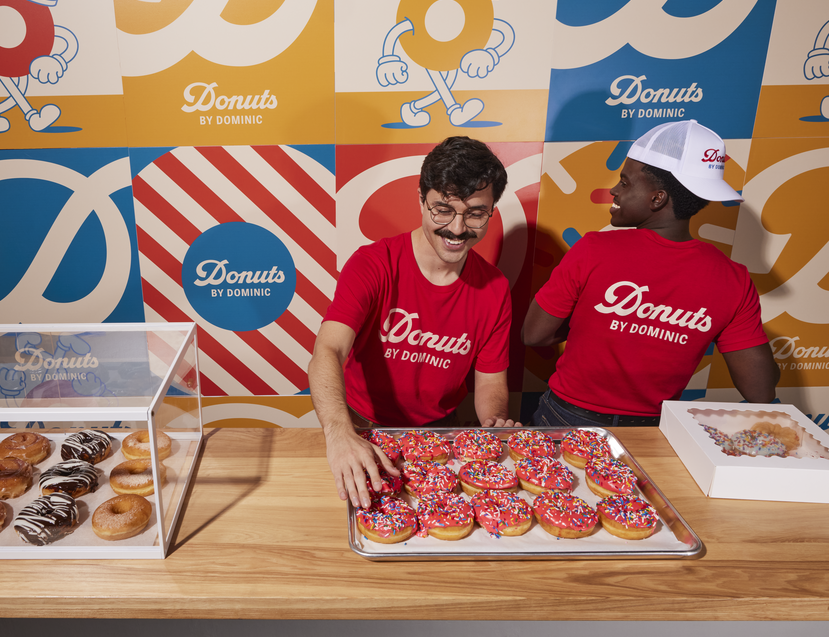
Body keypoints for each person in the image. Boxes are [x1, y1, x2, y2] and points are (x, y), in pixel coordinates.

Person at [522, 120, 779, 427]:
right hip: (653, 429)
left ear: (658, 198)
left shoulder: (594, 249)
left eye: (625, 183)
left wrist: (588, 321)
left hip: (567, 418)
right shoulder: (733, 278)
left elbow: (534, 334)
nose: (614, 190)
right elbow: (761, 389)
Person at [309, 136, 518, 508]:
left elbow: (490, 383)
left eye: (474, 213)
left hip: (441, 432)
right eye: (443, 209)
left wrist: (494, 424)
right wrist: (339, 433)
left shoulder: (496, 287)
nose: (457, 228)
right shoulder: (373, 263)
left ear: (491, 211)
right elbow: (328, 348)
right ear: (421, 199)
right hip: (360, 427)